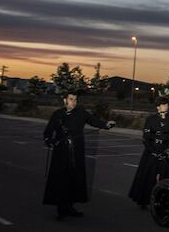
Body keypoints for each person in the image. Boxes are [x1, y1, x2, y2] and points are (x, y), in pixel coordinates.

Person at [43, 91, 115, 220]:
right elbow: (48, 132)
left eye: (75, 99)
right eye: (71, 99)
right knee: (61, 180)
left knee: (75, 179)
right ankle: (61, 209)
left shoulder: (81, 113)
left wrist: (105, 125)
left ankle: (70, 206)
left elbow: (93, 121)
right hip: (61, 153)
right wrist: (50, 141)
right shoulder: (57, 114)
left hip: (76, 152)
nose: (73, 102)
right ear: (64, 100)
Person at [128, 96, 169, 208]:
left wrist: (166, 150)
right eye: (163, 105)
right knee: (148, 177)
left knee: (164, 178)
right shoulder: (151, 119)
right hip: (151, 152)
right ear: (158, 107)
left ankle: (161, 202)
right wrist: (152, 151)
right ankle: (144, 200)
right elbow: (146, 138)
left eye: (167, 104)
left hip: (164, 152)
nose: (166, 106)